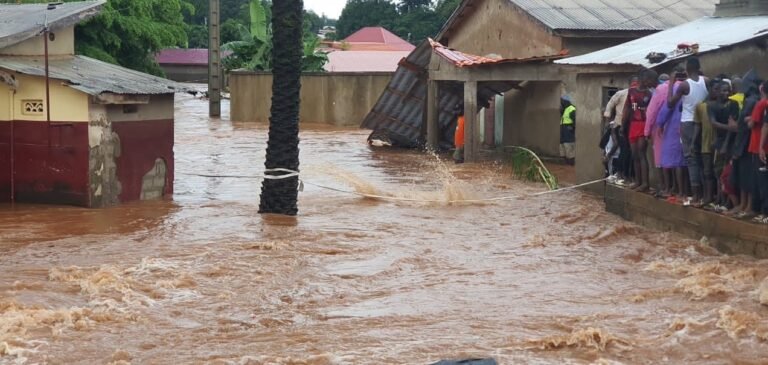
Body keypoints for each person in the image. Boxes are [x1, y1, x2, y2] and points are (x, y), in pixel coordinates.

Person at [668, 57, 709, 205]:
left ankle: (696, 196)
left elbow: (670, 103)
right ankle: (706, 195)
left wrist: (671, 83)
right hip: (704, 123)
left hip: (688, 123)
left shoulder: (684, 85)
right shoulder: (707, 81)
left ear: (686, 69)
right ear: (699, 68)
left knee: (691, 159)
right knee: (703, 158)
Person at [623, 69, 658, 192]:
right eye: (650, 80)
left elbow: (650, 111)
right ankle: (637, 181)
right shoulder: (631, 91)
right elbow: (629, 107)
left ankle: (645, 183)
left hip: (644, 124)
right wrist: (623, 124)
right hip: (633, 124)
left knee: (641, 152)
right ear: (644, 79)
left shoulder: (649, 94)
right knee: (634, 154)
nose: (651, 83)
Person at [708, 80, 740, 212]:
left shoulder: (733, 104)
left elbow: (732, 130)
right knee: (718, 172)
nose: (726, 93)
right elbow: (713, 123)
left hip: (731, 142)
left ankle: (728, 203)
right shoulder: (712, 106)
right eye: (723, 90)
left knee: (728, 174)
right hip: (719, 140)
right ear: (717, 92)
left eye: (728, 90)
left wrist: (725, 145)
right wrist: (729, 127)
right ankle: (720, 200)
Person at [658, 65, 688, 202]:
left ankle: (677, 191)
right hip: (688, 126)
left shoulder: (676, 88)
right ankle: (684, 191)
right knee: (685, 161)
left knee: (675, 162)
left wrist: (660, 123)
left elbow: (667, 107)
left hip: (674, 127)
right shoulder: (691, 86)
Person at [646, 74, 671, 196]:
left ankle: (663, 187)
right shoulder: (674, 87)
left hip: (659, 128)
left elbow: (651, 112)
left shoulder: (658, 91)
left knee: (659, 159)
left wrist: (646, 131)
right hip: (673, 127)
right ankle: (670, 188)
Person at [747, 81, 768, 222]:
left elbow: (753, 124)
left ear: (762, 89)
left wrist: (747, 118)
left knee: (762, 182)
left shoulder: (761, 104)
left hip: (759, 147)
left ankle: (764, 213)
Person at [560, 96, 576, 165]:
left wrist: (572, 128)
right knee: (564, 150)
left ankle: (571, 165)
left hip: (569, 135)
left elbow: (575, 121)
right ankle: (566, 166)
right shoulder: (565, 110)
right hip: (563, 135)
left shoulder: (571, 109)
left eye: (562, 101)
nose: (561, 103)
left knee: (569, 151)